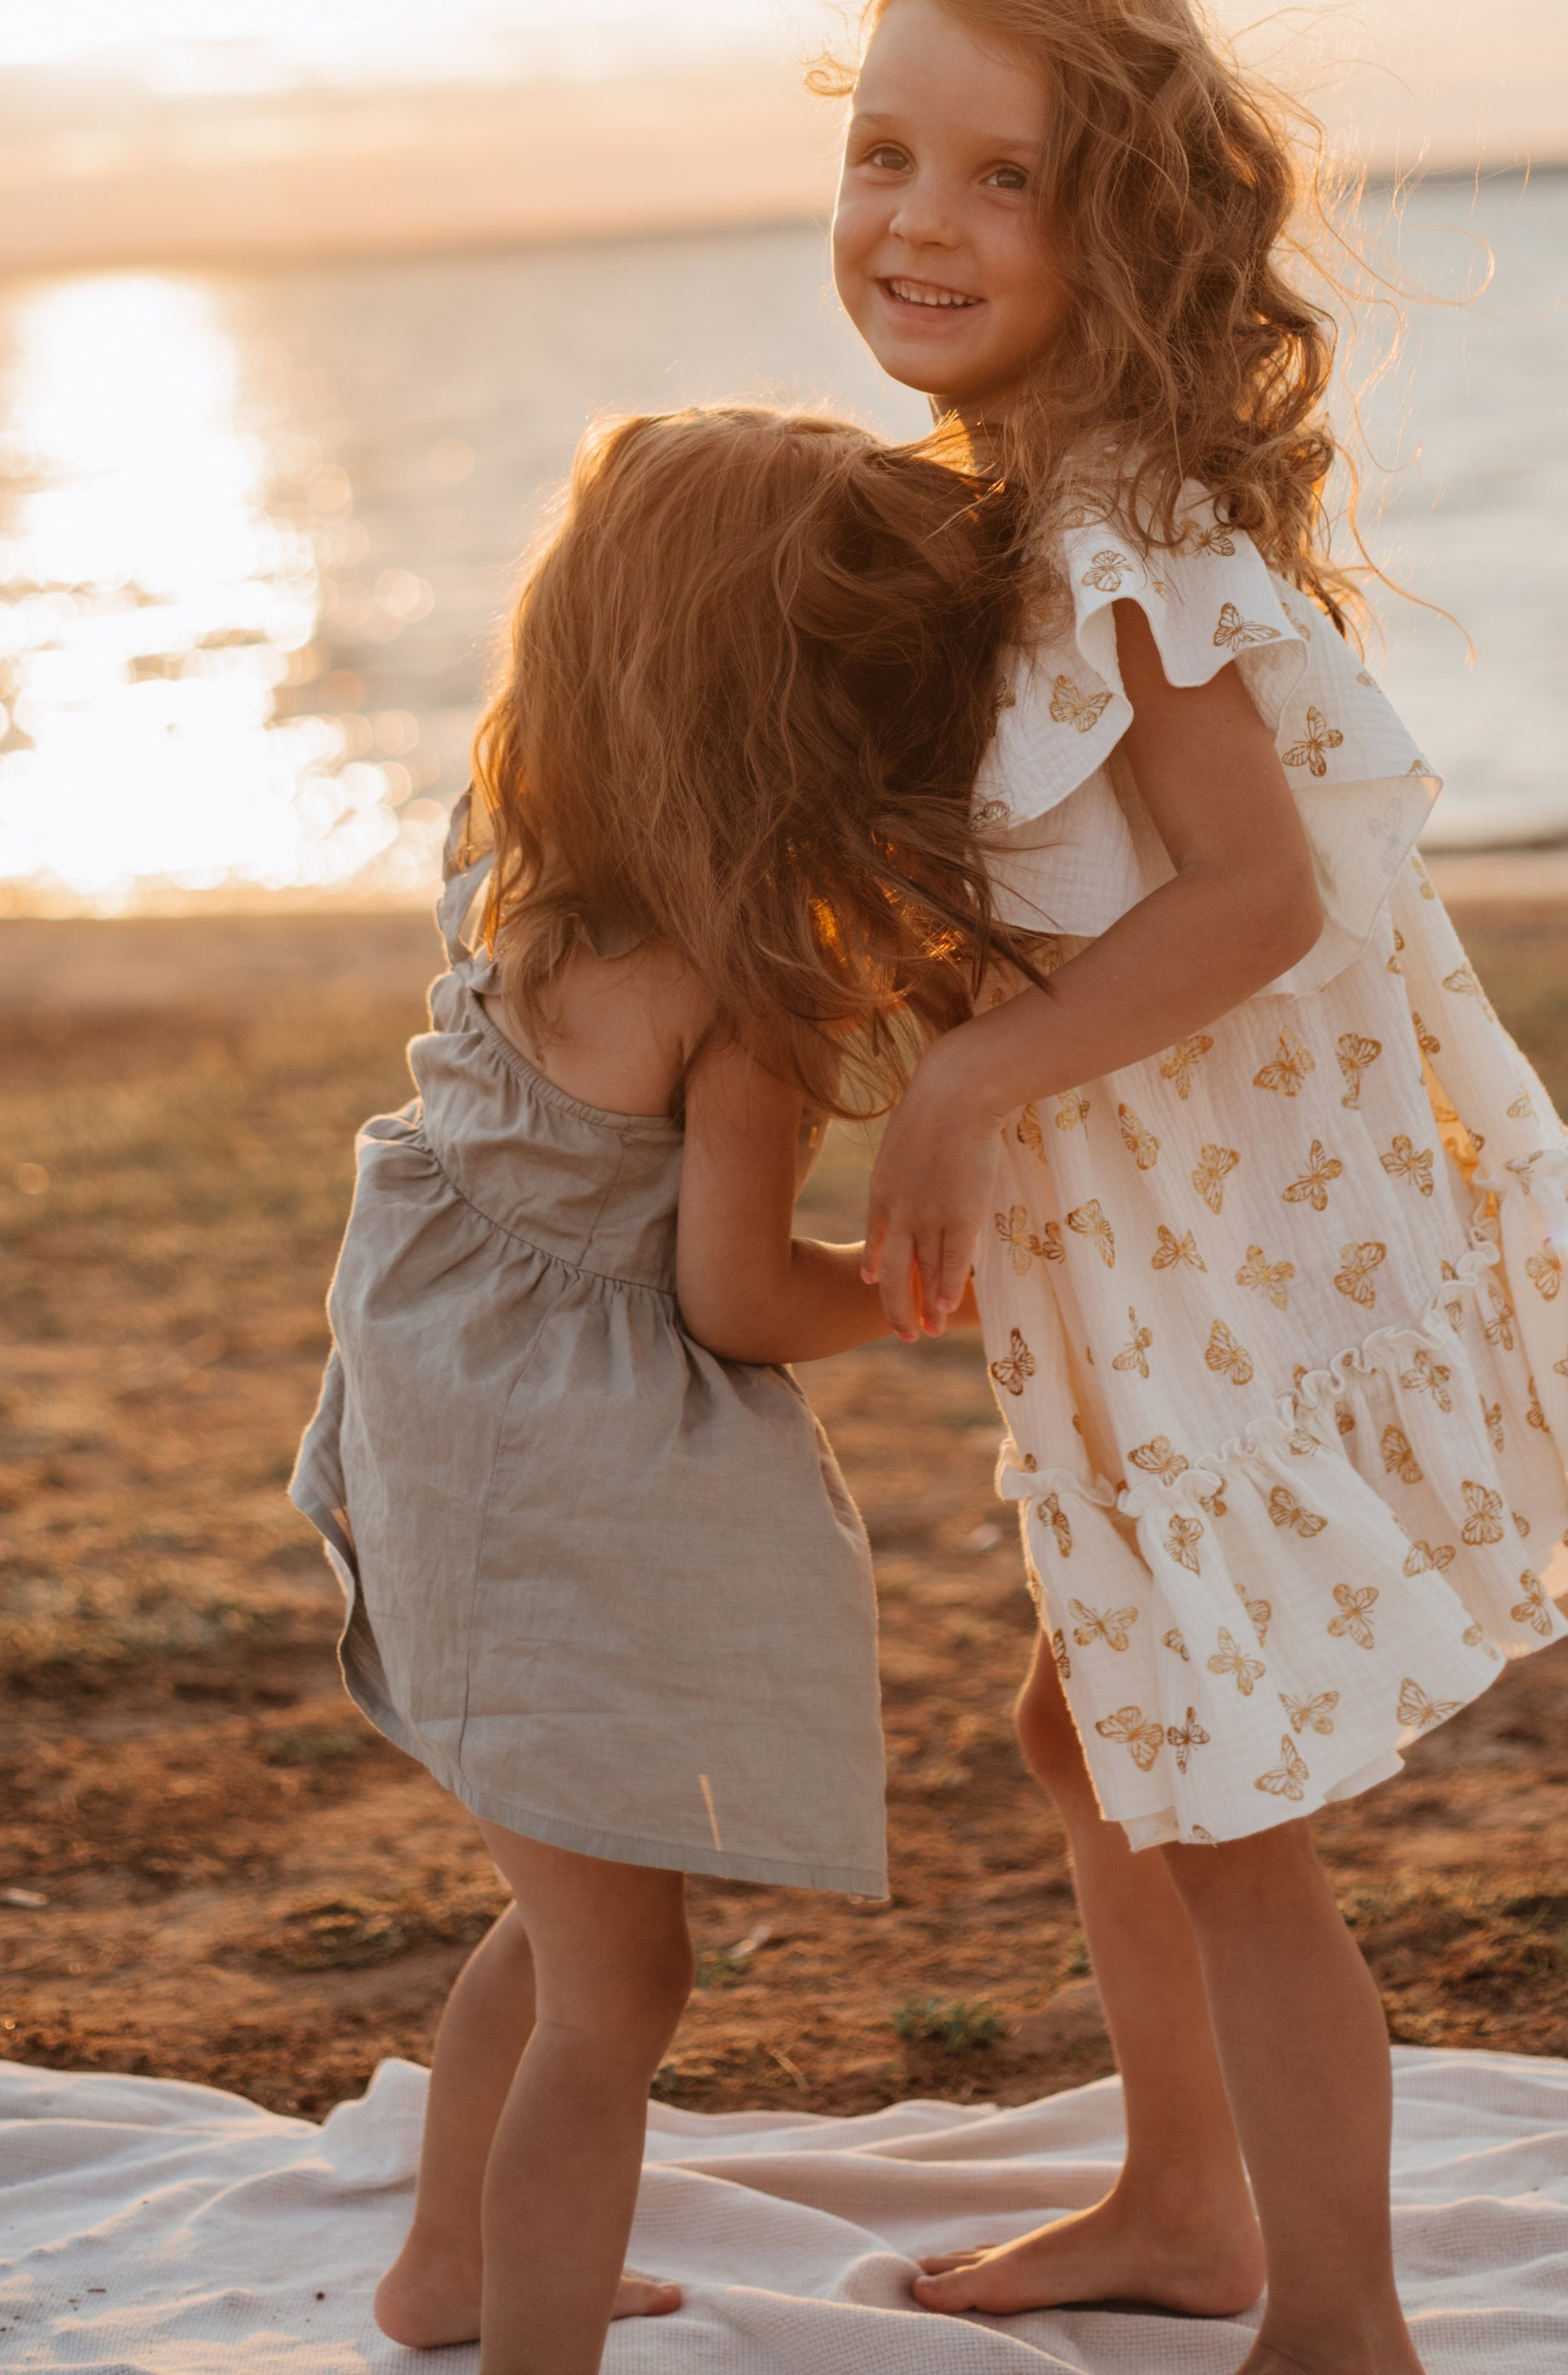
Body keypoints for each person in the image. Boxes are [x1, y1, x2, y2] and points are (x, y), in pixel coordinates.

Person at [826, 0, 1568, 2375]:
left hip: (1234, 1256)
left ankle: (1330, 2317)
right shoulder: (1049, 500)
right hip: (1166, 1234)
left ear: (1118, 219)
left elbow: (1253, 898)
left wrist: (967, 1076)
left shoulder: (1122, 533)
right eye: (882, 153)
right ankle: (1181, 2197)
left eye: (998, 178)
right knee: (1093, 1722)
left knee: (1215, 1791)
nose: (918, 222)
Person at [289, 405, 1022, 2375]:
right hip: (553, 1481)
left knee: (559, 1900)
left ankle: (448, 2272)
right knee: (621, 1985)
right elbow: (730, 1303)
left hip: (437, 1431)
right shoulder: (741, 989)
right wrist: (909, 1286)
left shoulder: (510, 860)